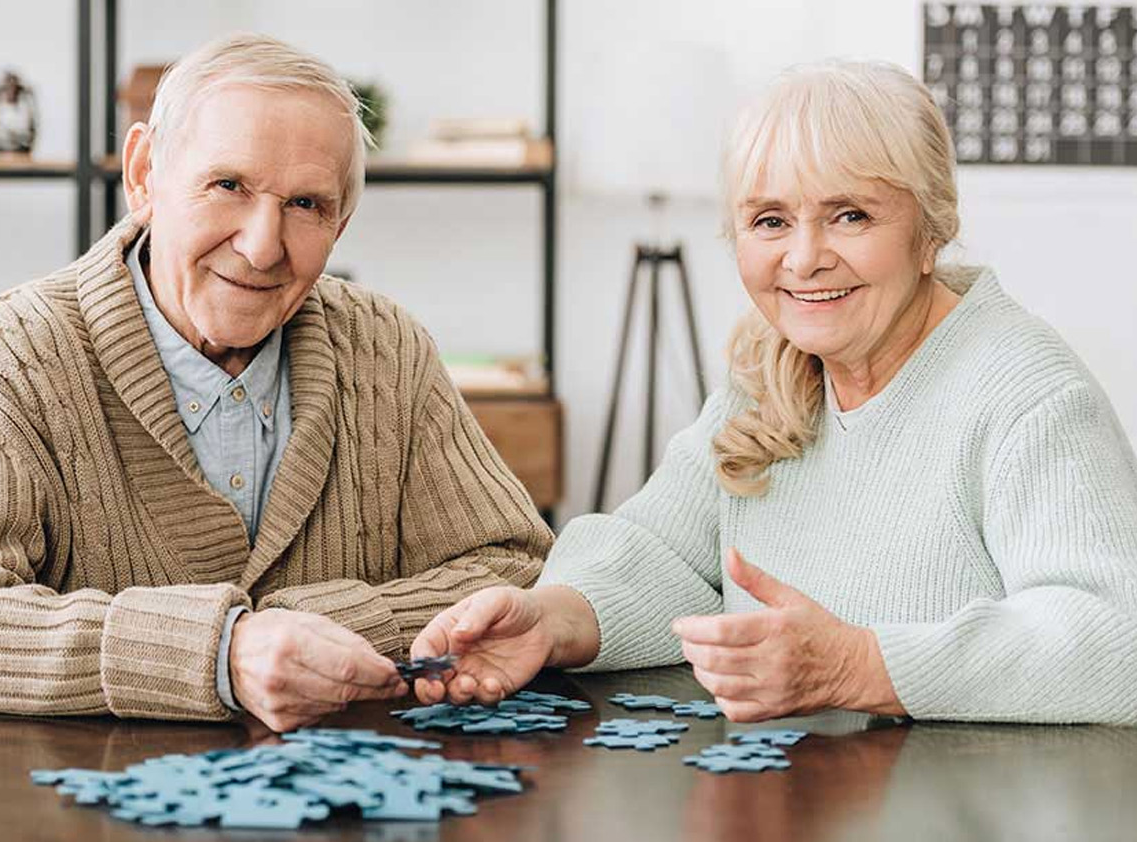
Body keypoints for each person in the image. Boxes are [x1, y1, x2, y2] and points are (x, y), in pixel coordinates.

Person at [412, 60, 1137, 725]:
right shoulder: (768, 371)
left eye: (850, 214)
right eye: (770, 221)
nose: (804, 258)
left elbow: (1114, 641)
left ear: (931, 228)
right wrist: (551, 619)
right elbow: (665, 553)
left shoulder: (1029, 395)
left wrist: (860, 665)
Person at [0, 34, 551, 731]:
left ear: (340, 224)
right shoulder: (4, 358)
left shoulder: (390, 350)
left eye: (306, 205)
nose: (263, 246)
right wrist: (222, 650)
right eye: (229, 185)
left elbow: (515, 573)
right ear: (143, 176)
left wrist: (300, 628)